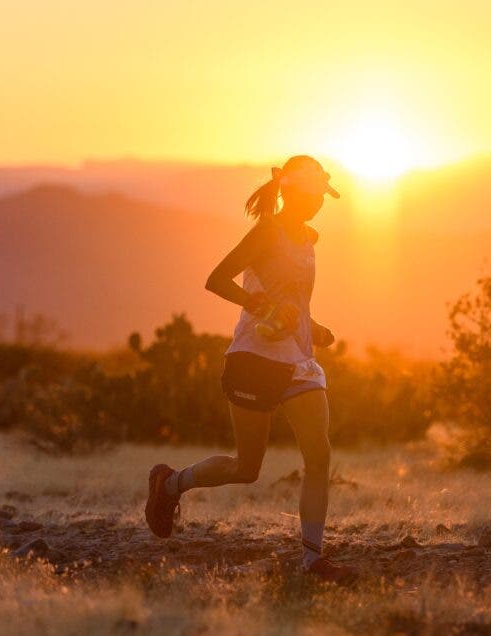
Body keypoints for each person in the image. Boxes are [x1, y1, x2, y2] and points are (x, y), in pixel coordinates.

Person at [144, 155, 357, 583]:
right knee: (247, 468)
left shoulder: (308, 240)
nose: (317, 204)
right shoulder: (266, 232)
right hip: (254, 359)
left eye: (321, 197)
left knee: (319, 455)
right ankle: (168, 485)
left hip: (298, 360)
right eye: (311, 195)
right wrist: (252, 303)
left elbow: (292, 296)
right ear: (292, 192)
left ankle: (312, 560)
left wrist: (311, 326)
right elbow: (217, 278)